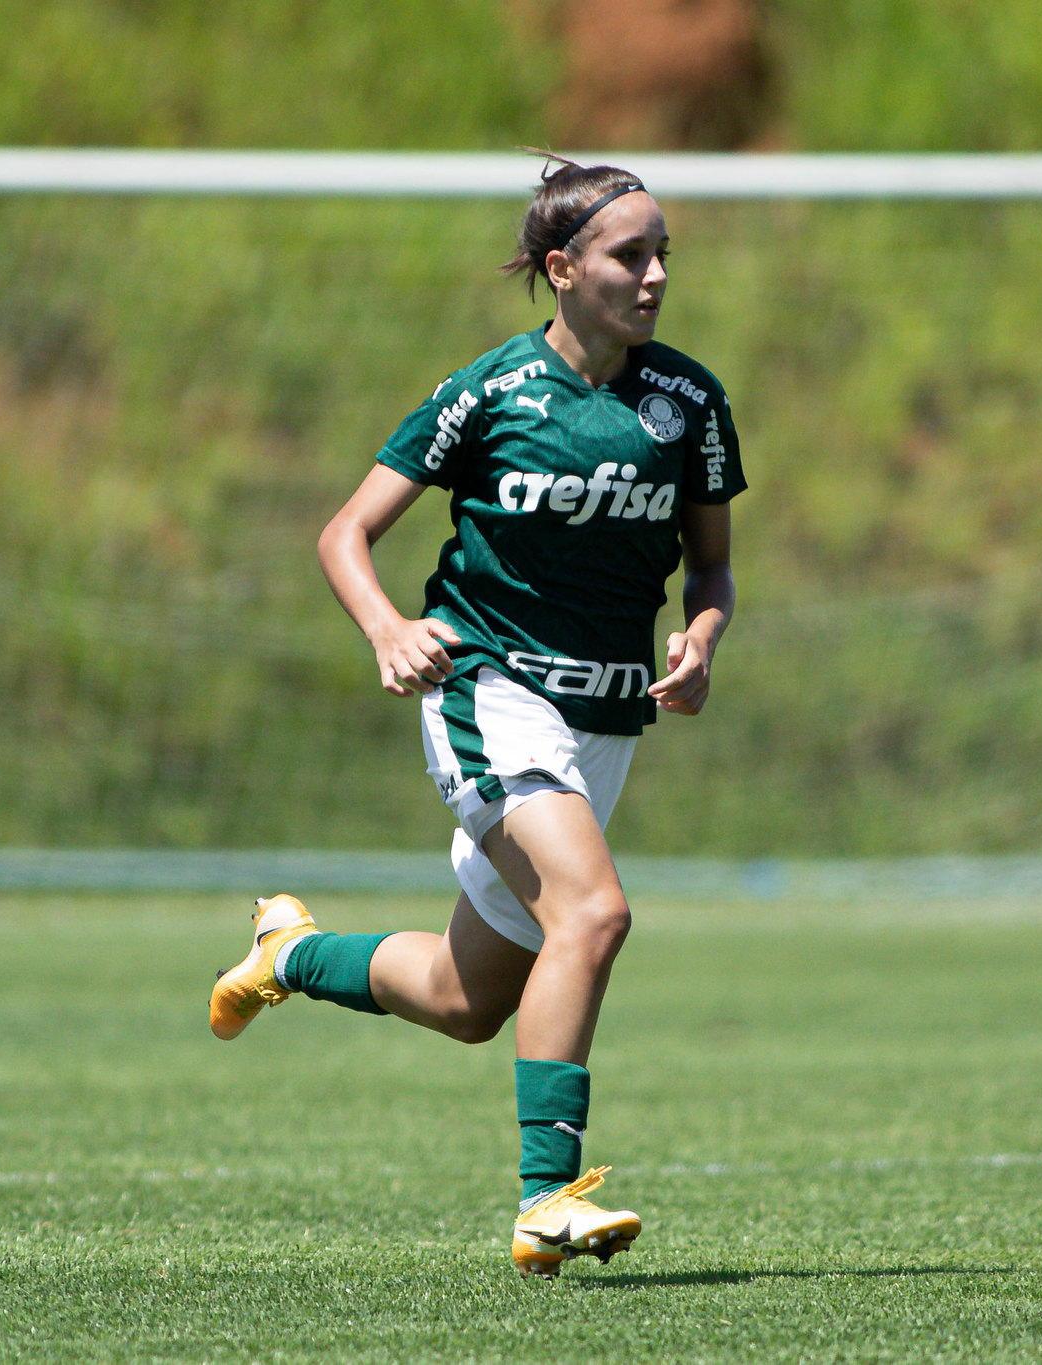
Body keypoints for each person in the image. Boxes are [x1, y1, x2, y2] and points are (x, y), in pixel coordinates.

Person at [208, 156, 743, 1278]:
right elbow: (343, 534)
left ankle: (289, 953)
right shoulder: (487, 393)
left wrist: (700, 640)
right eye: (626, 256)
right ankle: (545, 1200)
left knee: (465, 1001)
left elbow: (710, 573)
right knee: (592, 916)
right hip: (489, 696)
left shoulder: (687, 402)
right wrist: (387, 629)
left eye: (661, 256)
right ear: (560, 268)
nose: (652, 277)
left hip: (602, 726)